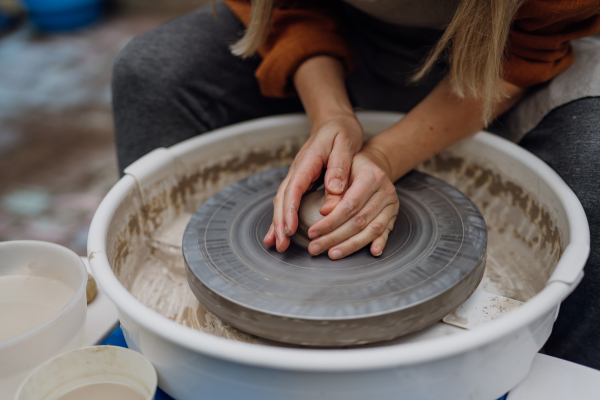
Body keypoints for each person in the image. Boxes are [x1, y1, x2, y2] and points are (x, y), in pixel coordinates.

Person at [111, 0, 600, 369]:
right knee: (153, 73)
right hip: (341, 31)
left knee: (592, 164)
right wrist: (332, 116)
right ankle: (176, 348)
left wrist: (387, 154)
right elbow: (285, 8)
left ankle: (555, 373)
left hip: (506, 47)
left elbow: (530, 46)